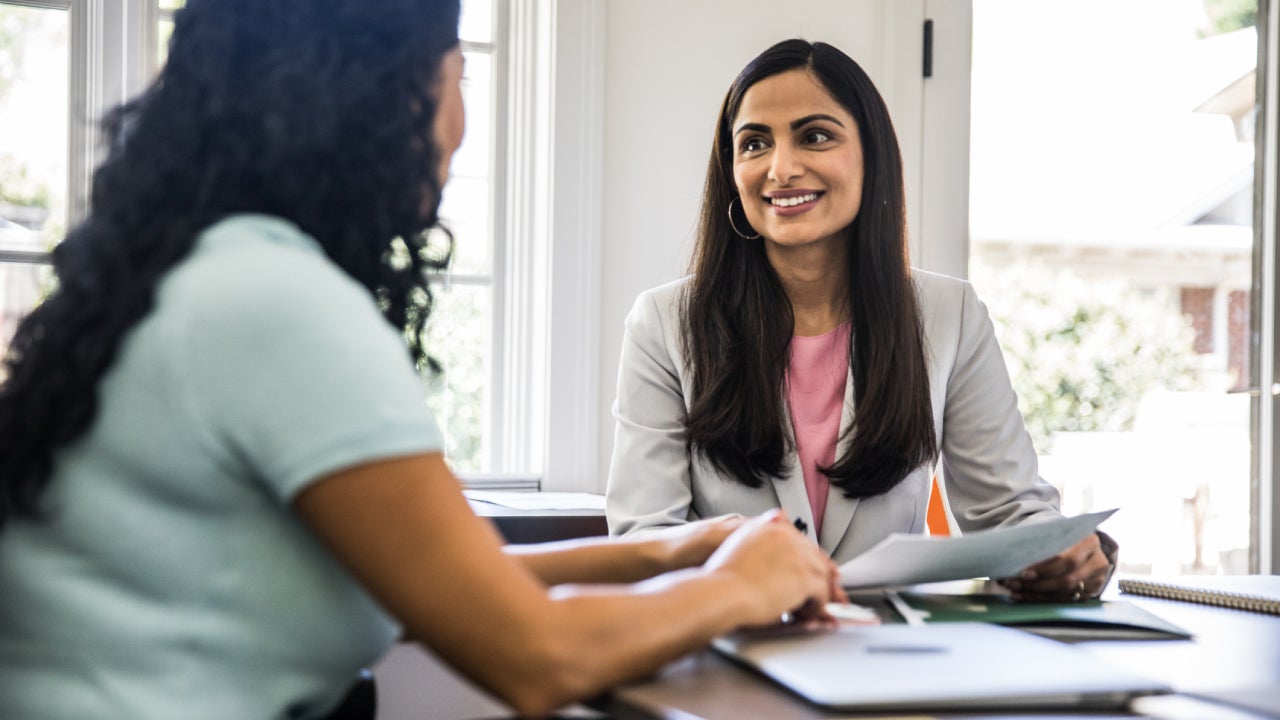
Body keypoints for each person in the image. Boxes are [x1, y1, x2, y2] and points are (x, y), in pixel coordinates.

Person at [0, 4, 845, 718]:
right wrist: (743, 584)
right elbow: (536, 656)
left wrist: (663, 555)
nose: (461, 123)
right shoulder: (277, 304)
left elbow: (430, 572)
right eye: (458, 78)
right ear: (378, 94)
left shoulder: (202, 270)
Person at [605, 38, 1117, 604]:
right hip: (729, 649)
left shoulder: (950, 314)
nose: (782, 168)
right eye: (754, 144)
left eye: (815, 136)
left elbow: (1007, 511)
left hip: (892, 657)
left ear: (871, 155)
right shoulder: (663, 324)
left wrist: (1056, 551)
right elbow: (642, 538)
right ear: (731, 171)